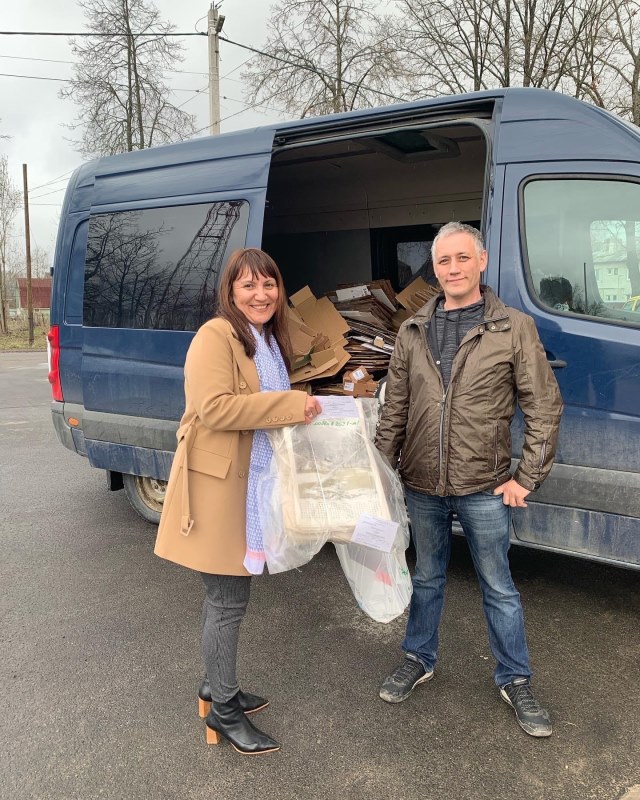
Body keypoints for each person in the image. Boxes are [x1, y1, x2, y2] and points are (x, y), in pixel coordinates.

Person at [375, 222, 563, 738]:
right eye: (443, 260)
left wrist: (526, 477)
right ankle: (418, 657)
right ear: (433, 269)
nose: (453, 268)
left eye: (462, 258)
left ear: (481, 261)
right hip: (422, 484)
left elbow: (544, 405)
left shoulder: (513, 327)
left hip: (484, 485)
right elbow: (395, 410)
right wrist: (380, 475)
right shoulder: (413, 329)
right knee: (427, 577)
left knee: (498, 586)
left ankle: (515, 678)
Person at [154, 248, 322, 755]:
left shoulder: (264, 338)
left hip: (249, 485)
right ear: (230, 291)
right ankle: (224, 712)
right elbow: (215, 408)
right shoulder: (215, 335)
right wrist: (292, 404)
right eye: (248, 285)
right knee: (226, 602)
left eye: (269, 284)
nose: (261, 294)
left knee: (230, 599)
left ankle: (216, 686)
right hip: (218, 490)